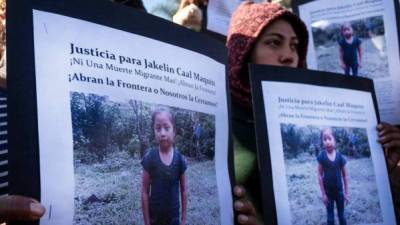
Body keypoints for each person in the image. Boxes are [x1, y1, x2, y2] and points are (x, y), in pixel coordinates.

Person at [226, 1, 308, 224]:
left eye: (294, 46)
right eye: (274, 43)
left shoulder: (304, 121)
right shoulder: (218, 121)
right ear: (242, 54)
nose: (289, 56)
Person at [141, 107, 187, 225]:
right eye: (158, 128)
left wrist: (183, 219)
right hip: (155, 219)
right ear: (154, 131)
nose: (162, 133)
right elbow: (145, 192)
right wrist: (147, 222)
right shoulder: (150, 157)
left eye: (166, 128)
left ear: (174, 131)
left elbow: (183, 190)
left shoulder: (180, 159)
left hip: (174, 220)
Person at [317, 127, 349, 225]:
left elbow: (345, 176)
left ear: (334, 140)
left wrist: (346, 193)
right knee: (330, 219)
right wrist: (323, 194)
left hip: (339, 193)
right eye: (324, 139)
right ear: (322, 141)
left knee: (342, 216)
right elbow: (319, 175)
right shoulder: (322, 156)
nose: (327, 142)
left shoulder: (340, 157)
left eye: (329, 138)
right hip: (328, 194)